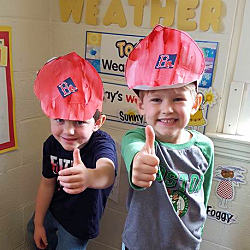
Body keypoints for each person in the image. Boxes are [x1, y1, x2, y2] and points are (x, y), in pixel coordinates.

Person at [121, 25, 214, 250]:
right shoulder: (137, 139)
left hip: (187, 245)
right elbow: (133, 151)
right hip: (139, 245)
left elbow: (204, 195)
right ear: (140, 104)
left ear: (195, 104)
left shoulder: (204, 146)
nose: (167, 109)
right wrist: (139, 163)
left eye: (178, 99)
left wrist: (196, 233)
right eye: (156, 100)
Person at [27, 52, 118, 250]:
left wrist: (89, 176)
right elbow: (47, 183)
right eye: (59, 119)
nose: (68, 131)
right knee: (32, 231)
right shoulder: (51, 143)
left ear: (97, 123)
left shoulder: (101, 144)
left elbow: (107, 172)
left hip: (79, 223)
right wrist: (39, 222)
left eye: (79, 122)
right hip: (53, 210)